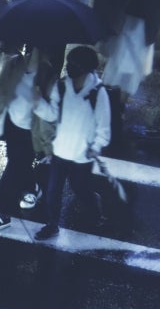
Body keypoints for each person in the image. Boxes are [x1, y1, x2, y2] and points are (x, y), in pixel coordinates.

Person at [31, 45, 113, 241]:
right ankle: (52, 225)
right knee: (52, 192)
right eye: (69, 64)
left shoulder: (98, 93)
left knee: (80, 189)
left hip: (82, 156)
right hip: (61, 151)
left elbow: (104, 127)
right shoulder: (61, 86)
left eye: (74, 65)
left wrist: (96, 147)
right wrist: (38, 103)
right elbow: (52, 114)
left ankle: (95, 210)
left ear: (87, 69)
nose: (69, 68)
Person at [0, 52, 48, 232]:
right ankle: (31, 187)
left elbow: (52, 112)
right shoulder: (13, 64)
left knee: (13, 167)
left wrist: (39, 100)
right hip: (12, 124)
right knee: (19, 162)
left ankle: (1, 213)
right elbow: (1, 90)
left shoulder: (46, 72)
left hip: (32, 130)